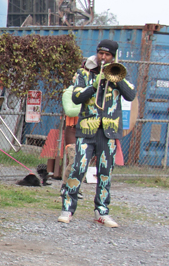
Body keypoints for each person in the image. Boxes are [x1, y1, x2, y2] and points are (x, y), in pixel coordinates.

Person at [58, 39, 136, 227]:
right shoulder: (83, 73)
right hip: (86, 131)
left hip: (109, 132)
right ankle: (68, 209)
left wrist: (116, 79)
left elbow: (131, 95)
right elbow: (76, 98)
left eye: (107, 55)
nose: (103, 57)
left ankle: (102, 211)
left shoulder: (118, 73)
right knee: (78, 168)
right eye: (101, 53)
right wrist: (94, 86)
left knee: (105, 173)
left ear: (113, 57)